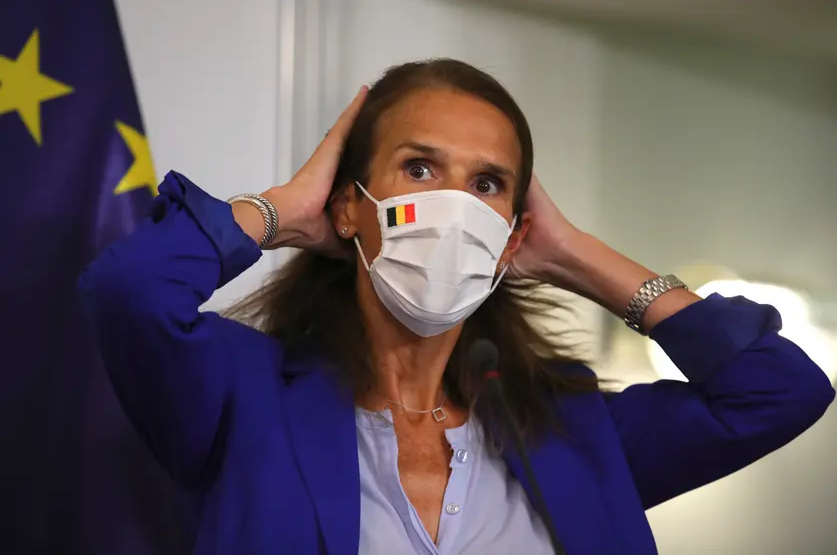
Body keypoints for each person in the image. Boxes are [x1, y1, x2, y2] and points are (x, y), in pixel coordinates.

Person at [79, 59, 834, 555]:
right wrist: (280, 211)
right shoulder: (244, 399)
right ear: (351, 206)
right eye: (418, 167)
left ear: (510, 236)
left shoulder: (574, 432)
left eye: (485, 185)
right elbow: (128, 290)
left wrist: (571, 252)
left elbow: (779, 391)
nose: (452, 205)